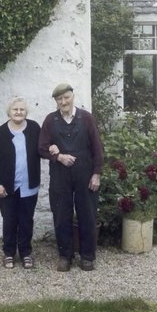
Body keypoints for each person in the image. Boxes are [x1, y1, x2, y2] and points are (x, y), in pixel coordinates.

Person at [38, 82, 104, 271]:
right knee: (61, 215)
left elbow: (98, 148)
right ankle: (65, 256)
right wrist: (58, 156)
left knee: (87, 214)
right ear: (56, 102)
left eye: (66, 97)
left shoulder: (86, 118)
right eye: (59, 99)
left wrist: (97, 173)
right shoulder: (51, 121)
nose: (63, 101)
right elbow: (41, 148)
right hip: (60, 176)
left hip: (85, 174)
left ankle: (87, 256)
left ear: (72, 97)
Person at [0, 95, 42, 269]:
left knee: (26, 220)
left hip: (29, 185)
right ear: (9, 112)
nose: (18, 112)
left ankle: (25, 252)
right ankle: (9, 253)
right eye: (15, 109)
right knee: (9, 220)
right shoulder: (1, 132)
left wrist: (54, 148)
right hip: (7, 187)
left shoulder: (34, 128)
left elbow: (44, 147)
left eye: (22, 109)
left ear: (26, 112)